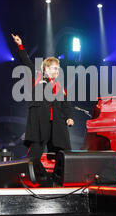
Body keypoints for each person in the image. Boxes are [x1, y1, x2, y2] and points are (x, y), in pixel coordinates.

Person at [11, 33, 74, 161]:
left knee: (62, 151)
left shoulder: (60, 86)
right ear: (46, 68)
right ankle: (30, 177)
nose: (57, 71)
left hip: (57, 123)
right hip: (40, 121)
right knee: (36, 150)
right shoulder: (37, 77)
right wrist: (20, 45)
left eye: (58, 69)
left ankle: (61, 177)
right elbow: (26, 62)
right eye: (54, 68)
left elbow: (66, 105)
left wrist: (69, 117)